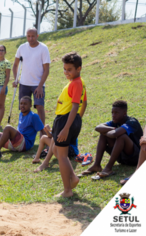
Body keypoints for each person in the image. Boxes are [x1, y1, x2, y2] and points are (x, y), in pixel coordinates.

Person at [52, 52, 87, 198]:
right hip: (69, 120)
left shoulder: (77, 83)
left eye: (69, 69)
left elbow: (75, 106)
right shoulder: (77, 82)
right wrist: (76, 121)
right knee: (55, 150)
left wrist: (67, 127)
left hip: (66, 121)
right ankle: (73, 177)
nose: (66, 72)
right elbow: (84, 103)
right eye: (64, 69)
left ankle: (67, 190)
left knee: (62, 156)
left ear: (78, 69)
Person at [79, 100, 143, 180]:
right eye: (112, 112)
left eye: (116, 113)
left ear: (124, 113)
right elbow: (98, 127)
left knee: (121, 136)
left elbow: (114, 134)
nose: (113, 115)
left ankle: (108, 168)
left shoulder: (132, 122)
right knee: (103, 134)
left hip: (135, 158)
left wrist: (110, 132)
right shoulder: (115, 122)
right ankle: (96, 165)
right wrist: (113, 128)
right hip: (121, 158)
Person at [33, 90, 87, 169]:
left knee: (54, 142)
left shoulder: (69, 121)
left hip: (70, 150)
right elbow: (52, 136)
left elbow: (56, 138)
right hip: (60, 145)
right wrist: (48, 131)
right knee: (44, 138)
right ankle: (36, 158)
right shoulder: (62, 119)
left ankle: (46, 162)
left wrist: (52, 131)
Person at [12, 28, 50, 132]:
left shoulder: (43, 48)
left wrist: (40, 86)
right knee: (23, 108)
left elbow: (46, 70)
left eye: (33, 36)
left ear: (37, 36)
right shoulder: (22, 47)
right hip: (24, 83)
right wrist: (16, 79)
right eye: (28, 36)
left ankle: (43, 134)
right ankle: (23, 132)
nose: (30, 38)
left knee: (39, 106)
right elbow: (15, 65)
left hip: (38, 84)